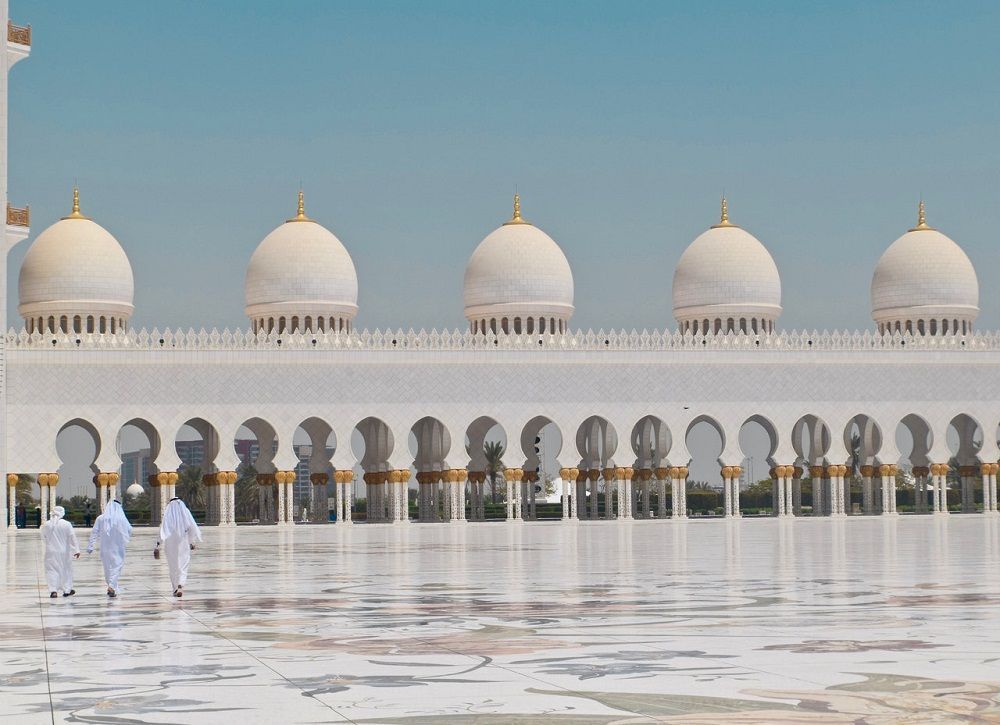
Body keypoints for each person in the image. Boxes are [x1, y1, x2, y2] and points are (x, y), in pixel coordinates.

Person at [154, 498, 201, 598]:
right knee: (183, 565)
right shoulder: (185, 512)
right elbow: (192, 526)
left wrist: (158, 545)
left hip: (170, 544)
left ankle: (175, 588)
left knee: (173, 566)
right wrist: (192, 541)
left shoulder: (168, 513)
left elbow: (163, 530)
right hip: (183, 542)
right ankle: (181, 584)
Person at [87, 499, 132, 597]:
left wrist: (90, 546)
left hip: (105, 549)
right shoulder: (121, 519)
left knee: (107, 569)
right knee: (117, 567)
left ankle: (111, 587)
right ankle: (111, 586)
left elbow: (94, 532)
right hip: (118, 548)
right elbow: (129, 530)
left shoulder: (100, 518)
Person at [41, 506, 80, 598]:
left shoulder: (46, 524)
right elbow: (72, 538)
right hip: (64, 551)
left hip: (50, 551)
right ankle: (67, 590)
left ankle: (53, 590)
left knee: (51, 570)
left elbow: (43, 537)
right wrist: (76, 550)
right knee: (65, 570)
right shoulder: (66, 524)